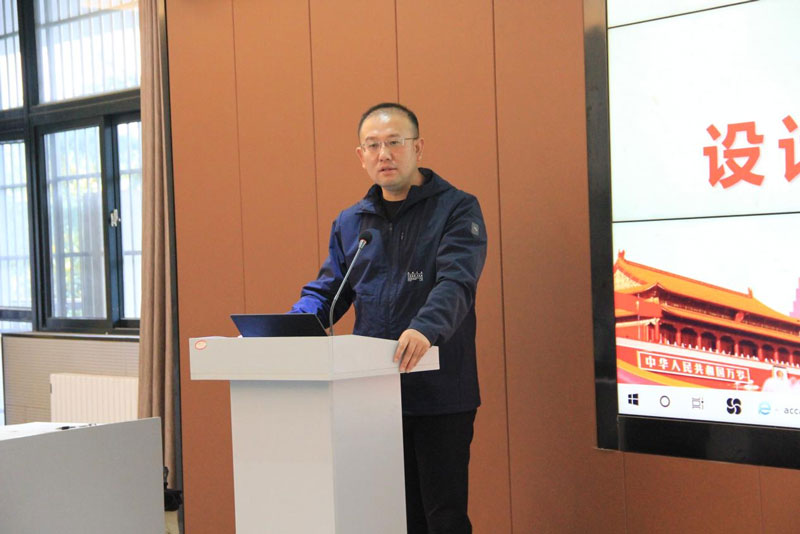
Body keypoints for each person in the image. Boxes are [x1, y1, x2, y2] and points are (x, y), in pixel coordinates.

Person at [291, 102, 487, 533]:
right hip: (372, 391)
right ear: (360, 155)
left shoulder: (456, 209)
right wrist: (290, 325)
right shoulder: (351, 222)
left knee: (443, 518)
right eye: (373, 145)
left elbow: (456, 282)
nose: (384, 154)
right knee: (390, 517)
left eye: (395, 142)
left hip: (439, 391)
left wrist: (424, 328)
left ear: (418, 147)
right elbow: (329, 291)